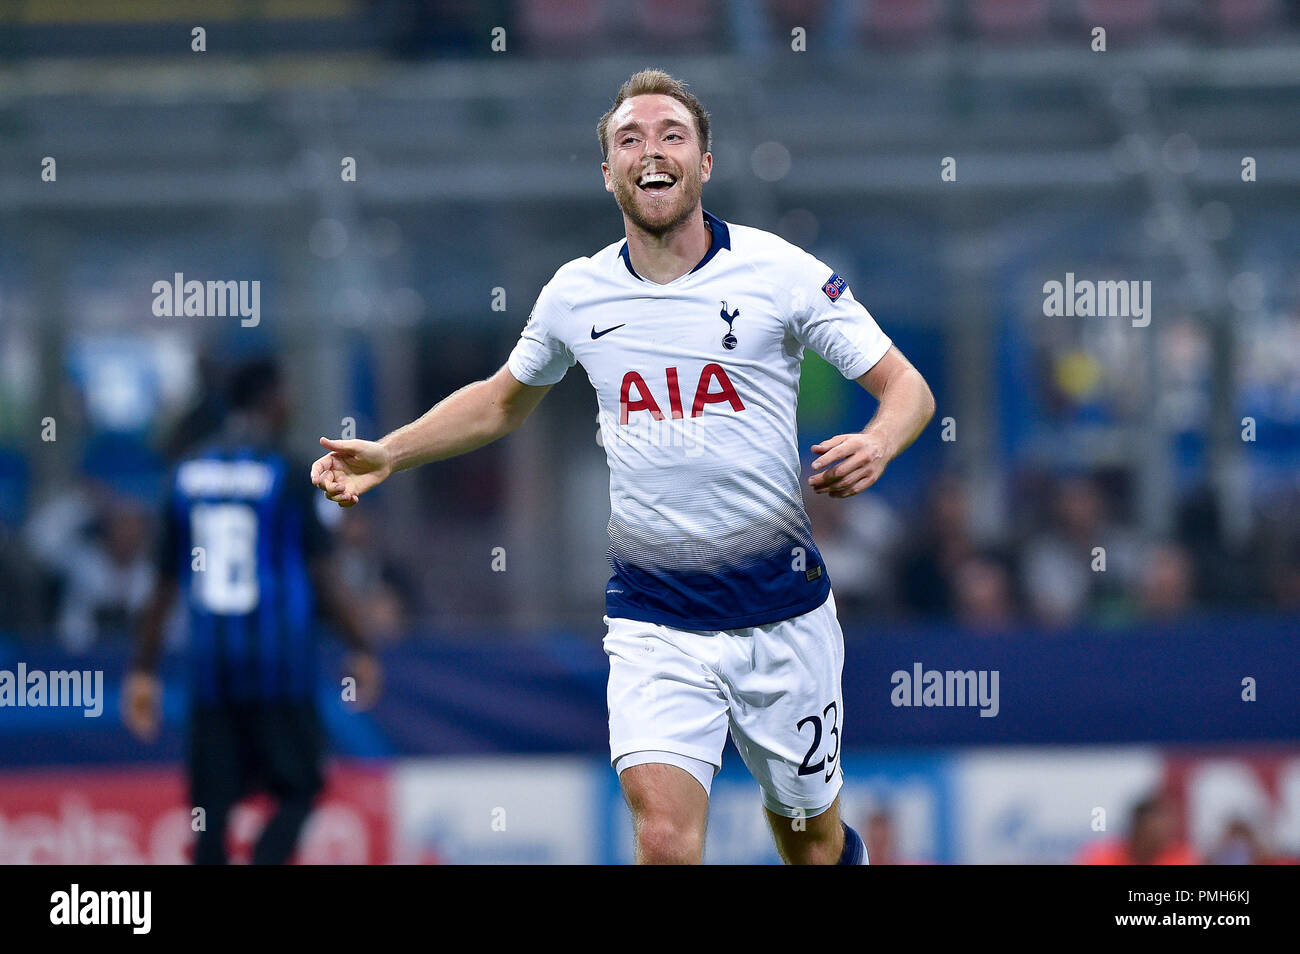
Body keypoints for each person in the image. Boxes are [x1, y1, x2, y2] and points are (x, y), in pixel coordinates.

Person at [311, 70, 934, 865]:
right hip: (654, 620)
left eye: (672, 134)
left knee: (810, 840)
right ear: (608, 172)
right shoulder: (579, 293)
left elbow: (906, 387)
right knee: (663, 836)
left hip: (783, 618)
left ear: (704, 163)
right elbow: (504, 400)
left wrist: (879, 440)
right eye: (629, 139)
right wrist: (389, 452)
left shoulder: (780, 273)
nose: (652, 150)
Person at [124, 358, 381, 865]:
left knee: (211, 811)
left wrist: (143, 671)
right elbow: (323, 574)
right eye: (285, 392)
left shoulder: (184, 473)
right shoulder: (284, 471)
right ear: (268, 398)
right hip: (279, 666)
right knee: (300, 786)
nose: (291, 402)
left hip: (211, 670)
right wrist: (361, 646)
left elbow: (163, 584)